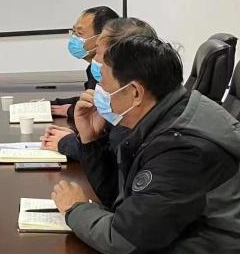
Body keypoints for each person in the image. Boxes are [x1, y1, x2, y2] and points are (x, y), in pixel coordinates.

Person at [49, 35, 240, 254]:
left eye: (104, 84)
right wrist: (90, 141)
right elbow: (121, 200)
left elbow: (122, 237)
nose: (98, 93)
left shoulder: (182, 148)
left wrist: (75, 209)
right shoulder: (166, 118)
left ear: (135, 92)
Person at [42, 17, 157, 160]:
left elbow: (114, 160)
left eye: (99, 52)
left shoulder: (159, 137)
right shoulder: (125, 101)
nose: (95, 59)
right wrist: (87, 138)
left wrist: (72, 143)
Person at [50, 6, 119, 119]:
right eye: (73, 32)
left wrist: (70, 110)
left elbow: (108, 110)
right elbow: (91, 99)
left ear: (102, 37)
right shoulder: (93, 68)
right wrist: (51, 104)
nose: (74, 38)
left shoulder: (117, 71)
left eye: (79, 33)